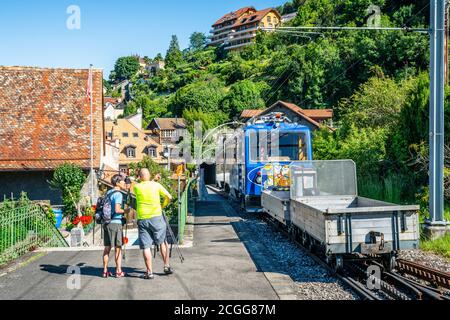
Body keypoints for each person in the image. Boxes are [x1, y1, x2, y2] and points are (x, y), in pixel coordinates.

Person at [134, 168, 173, 279]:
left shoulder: (137, 187)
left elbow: (142, 183)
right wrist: (162, 206)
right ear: (150, 175)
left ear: (139, 177)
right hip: (156, 216)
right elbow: (169, 197)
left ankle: (149, 272)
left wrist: (151, 180)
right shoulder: (156, 185)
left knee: (146, 246)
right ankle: (166, 266)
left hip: (142, 218)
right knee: (162, 242)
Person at [102, 174, 128, 278]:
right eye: (122, 181)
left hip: (107, 223)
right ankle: (118, 271)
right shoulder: (118, 194)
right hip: (116, 223)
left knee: (107, 248)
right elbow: (117, 210)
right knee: (118, 248)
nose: (124, 183)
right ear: (117, 183)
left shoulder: (108, 193)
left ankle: (105, 271)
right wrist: (126, 210)